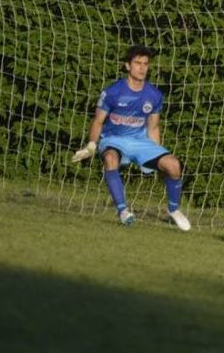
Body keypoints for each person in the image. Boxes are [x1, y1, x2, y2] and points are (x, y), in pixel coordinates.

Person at [72, 45, 191, 230]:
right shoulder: (112, 92)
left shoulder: (154, 95)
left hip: (140, 142)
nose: (142, 68)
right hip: (113, 139)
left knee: (173, 165)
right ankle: (123, 211)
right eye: (137, 63)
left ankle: (173, 210)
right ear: (128, 66)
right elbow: (98, 121)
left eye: (145, 64)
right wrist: (91, 145)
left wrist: (155, 155)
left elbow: (153, 127)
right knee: (111, 159)